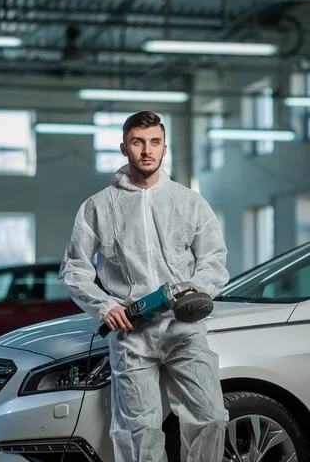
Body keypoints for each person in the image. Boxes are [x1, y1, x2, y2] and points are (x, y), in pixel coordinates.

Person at [59, 110, 229, 462]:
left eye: (154, 143)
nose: (146, 151)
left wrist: (191, 293)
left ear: (165, 149)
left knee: (210, 417)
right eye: (138, 142)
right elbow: (74, 270)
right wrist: (106, 307)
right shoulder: (98, 207)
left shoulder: (189, 202)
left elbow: (214, 257)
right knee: (138, 430)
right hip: (131, 334)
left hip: (184, 328)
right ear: (124, 147)